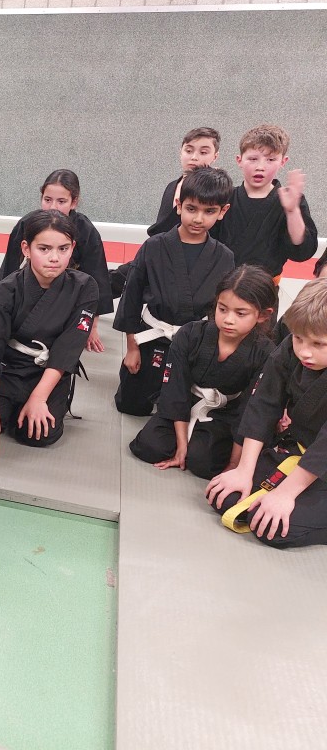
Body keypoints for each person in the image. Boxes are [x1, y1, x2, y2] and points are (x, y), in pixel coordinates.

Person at [206, 278, 327, 547]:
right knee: (228, 499)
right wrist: (243, 469)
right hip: (299, 450)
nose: (304, 352)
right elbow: (264, 404)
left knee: (275, 529)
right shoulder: (291, 347)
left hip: (321, 461)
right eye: (298, 338)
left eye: (318, 344)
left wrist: (286, 494)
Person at [129, 265, 276, 479]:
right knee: (149, 447)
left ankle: (203, 448)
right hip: (185, 401)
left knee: (202, 463)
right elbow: (175, 389)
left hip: (224, 413)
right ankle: (184, 442)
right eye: (222, 309)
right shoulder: (190, 334)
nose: (228, 319)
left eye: (240, 313)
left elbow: (250, 408)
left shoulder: (266, 353)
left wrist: (235, 463)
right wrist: (181, 446)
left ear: (262, 315)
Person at [114, 166, 236, 417]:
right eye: (192, 209)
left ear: (222, 212)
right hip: (152, 337)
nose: (198, 219)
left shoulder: (224, 257)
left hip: (194, 345)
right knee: (131, 405)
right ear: (179, 206)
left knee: (182, 411)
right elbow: (131, 299)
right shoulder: (153, 246)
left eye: (209, 211)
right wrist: (132, 348)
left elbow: (222, 310)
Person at [0, 210, 98, 453]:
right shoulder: (6, 292)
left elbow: (67, 349)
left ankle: (40, 402)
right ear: (26, 249)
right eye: (44, 249)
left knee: (39, 434)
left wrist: (39, 398)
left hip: (49, 370)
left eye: (63, 249)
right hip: (8, 369)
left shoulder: (84, 288)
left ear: (73, 247)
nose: (54, 258)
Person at [0, 170, 112, 352]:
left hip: (69, 288)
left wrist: (92, 326)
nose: (53, 207)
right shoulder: (28, 223)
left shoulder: (85, 229)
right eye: (47, 200)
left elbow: (96, 275)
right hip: (35, 278)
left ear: (74, 202)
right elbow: (8, 268)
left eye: (61, 201)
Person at [211, 124, 317, 280]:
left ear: (283, 161)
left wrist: (292, 211)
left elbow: (302, 251)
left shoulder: (292, 200)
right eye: (253, 159)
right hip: (223, 285)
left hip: (265, 288)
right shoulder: (225, 197)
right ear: (239, 160)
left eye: (271, 160)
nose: (260, 167)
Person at [149, 127, 221, 237]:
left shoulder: (220, 190)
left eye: (203, 152)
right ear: (181, 152)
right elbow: (160, 226)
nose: (194, 157)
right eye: (188, 151)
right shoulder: (172, 186)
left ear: (215, 156)